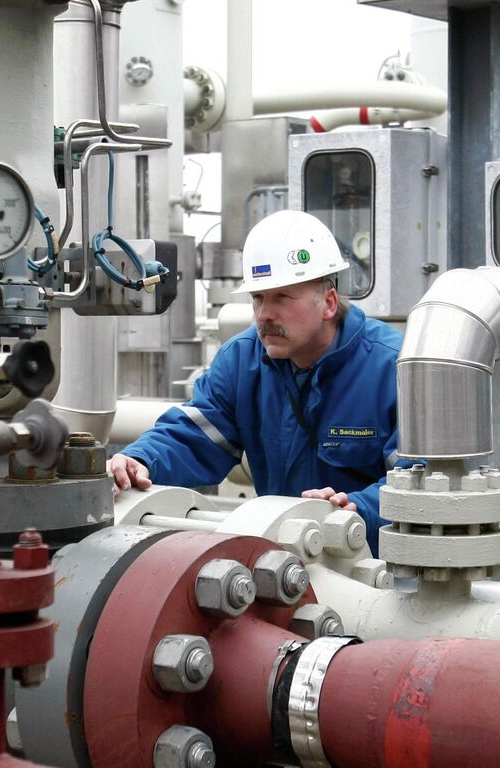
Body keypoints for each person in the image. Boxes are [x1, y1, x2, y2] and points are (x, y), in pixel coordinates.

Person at [106, 210, 403, 552]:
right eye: (258, 298)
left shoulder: (391, 367)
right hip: (283, 560)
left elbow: (419, 481)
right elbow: (195, 436)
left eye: (282, 297)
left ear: (329, 302)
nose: (264, 314)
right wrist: (141, 460)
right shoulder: (242, 361)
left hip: (378, 570)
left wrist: (354, 507)